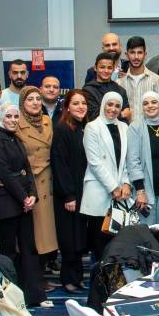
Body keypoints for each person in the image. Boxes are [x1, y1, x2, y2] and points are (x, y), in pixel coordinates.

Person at [0, 102, 48, 308]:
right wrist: (24, 198)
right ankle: (10, 297)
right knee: (9, 251)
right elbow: (4, 173)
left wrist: (33, 196)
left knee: (29, 249)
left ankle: (35, 295)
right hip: (6, 203)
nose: (12, 120)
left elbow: (27, 170)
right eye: (8, 117)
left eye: (15, 117)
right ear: (0, 118)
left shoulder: (16, 139)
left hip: (24, 203)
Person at [80, 91, 131, 260]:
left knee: (117, 245)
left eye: (117, 106)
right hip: (100, 191)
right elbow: (94, 162)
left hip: (120, 195)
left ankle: (115, 275)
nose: (113, 109)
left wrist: (126, 183)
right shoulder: (92, 127)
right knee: (100, 245)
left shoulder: (124, 127)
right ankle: (100, 276)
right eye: (110, 104)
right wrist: (113, 187)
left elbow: (127, 160)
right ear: (103, 105)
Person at [14, 86, 60, 267]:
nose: (35, 103)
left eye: (37, 99)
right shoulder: (16, 121)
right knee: (34, 229)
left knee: (48, 227)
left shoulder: (47, 120)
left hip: (49, 178)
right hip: (29, 180)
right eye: (30, 99)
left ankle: (45, 262)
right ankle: (32, 268)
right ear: (22, 102)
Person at [51, 89, 90, 292]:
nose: (80, 107)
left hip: (83, 192)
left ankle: (77, 276)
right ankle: (68, 278)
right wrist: (68, 195)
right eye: (75, 103)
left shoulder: (84, 128)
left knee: (79, 237)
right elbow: (60, 164)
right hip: (68, 194)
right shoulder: (62, 129)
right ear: (66, 107)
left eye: (83, 103)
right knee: (68, 238)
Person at [126, 91, 159, 227]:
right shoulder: (135, 127)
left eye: (154, 102)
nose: (150, 106)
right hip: (145, 192)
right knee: (146, 232)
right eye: (145, 103)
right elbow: (133, 161)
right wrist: (140, 191)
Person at [119, 36, 159, 111]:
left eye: (140, 52)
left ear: (145, 54)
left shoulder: (156, 80)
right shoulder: (120, 83)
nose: (136, 57)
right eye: (132, 52)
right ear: (126, 54)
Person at [84, 52, 131, 122]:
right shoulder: (88, 90)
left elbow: (127, 115)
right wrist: (121, 114)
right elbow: (94, 116)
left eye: (109, 68)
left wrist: (123, 115)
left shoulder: (121, 90)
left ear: (113, 69)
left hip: (118, 128)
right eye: (102, 67)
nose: (106, 71)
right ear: (95, 68)